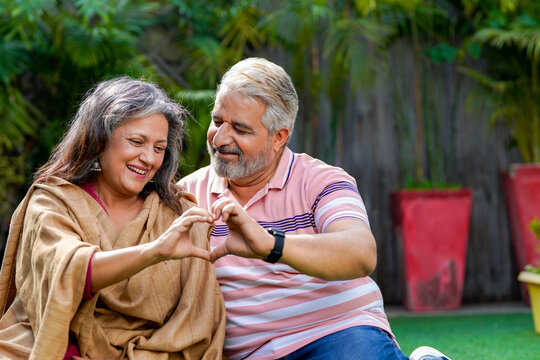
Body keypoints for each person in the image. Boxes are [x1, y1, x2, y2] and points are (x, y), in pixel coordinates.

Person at [179, 58, 452, 360]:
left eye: (240, 130)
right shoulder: (186, 195)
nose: (220, 138)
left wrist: (271, 244)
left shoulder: (322, 181)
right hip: (249, 352)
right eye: (218, 121)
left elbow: (360, 252)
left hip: (336, 331)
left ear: (278, 137)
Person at [0, 77, 226, 359]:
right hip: (43, 344)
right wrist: (154, 252)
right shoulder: (52, 202)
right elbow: (70, 270)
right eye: (136, 141)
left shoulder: (177, 213)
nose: (148, 158)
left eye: (159, 147)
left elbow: (197, 322)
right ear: (99, 138)